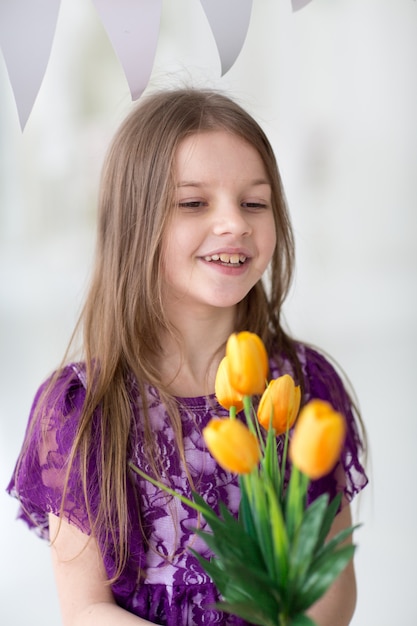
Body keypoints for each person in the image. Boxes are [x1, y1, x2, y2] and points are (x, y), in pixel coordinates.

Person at [7, 88, 368, 626]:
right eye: (194, 203)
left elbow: (332, 584)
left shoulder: (305, 386)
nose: (235, 224)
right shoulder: (82, 408)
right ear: (134, 223)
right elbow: (85, 609)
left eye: (254, 202)